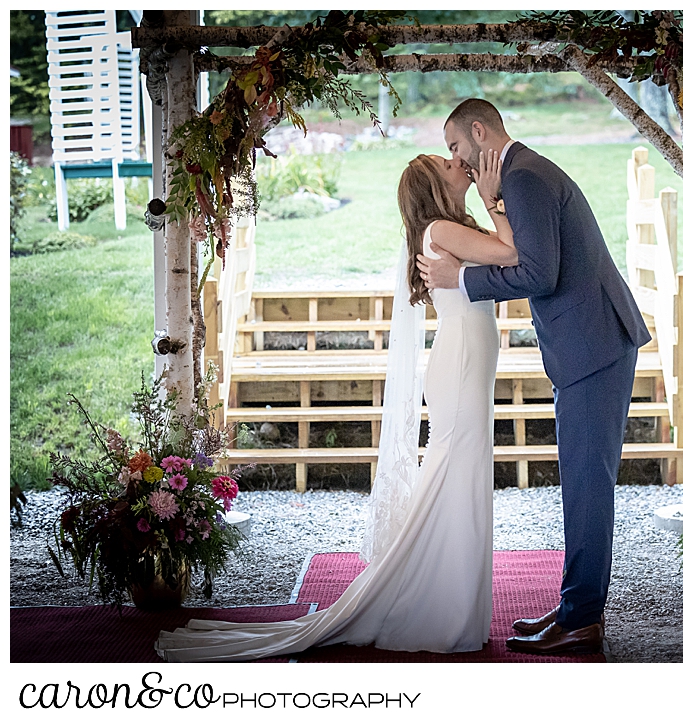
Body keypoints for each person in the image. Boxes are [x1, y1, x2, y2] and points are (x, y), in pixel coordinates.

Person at [155, 151, 517, 661]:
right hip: (459, 370)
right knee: (453, 477)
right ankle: (437, 606)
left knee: (462, 477)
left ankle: (451, 601)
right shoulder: (441, 228)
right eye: (447, 161)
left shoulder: (452, 226)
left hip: (465, 367)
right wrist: (495, 194)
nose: (459, 161)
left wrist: (485, 204)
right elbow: (511, 253)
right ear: (435, 185)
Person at [418, 98, 651, 655]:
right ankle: (576, 607)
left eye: (455, 146)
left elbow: (538, 274)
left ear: (479, 132)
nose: (456, 158)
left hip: (593, 346)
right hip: (591, 342)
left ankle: (583, 620)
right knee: (580, 481)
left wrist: (464, 280)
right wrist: (490, 201)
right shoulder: (520, 175)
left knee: (587, 484)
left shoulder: (522, 179)